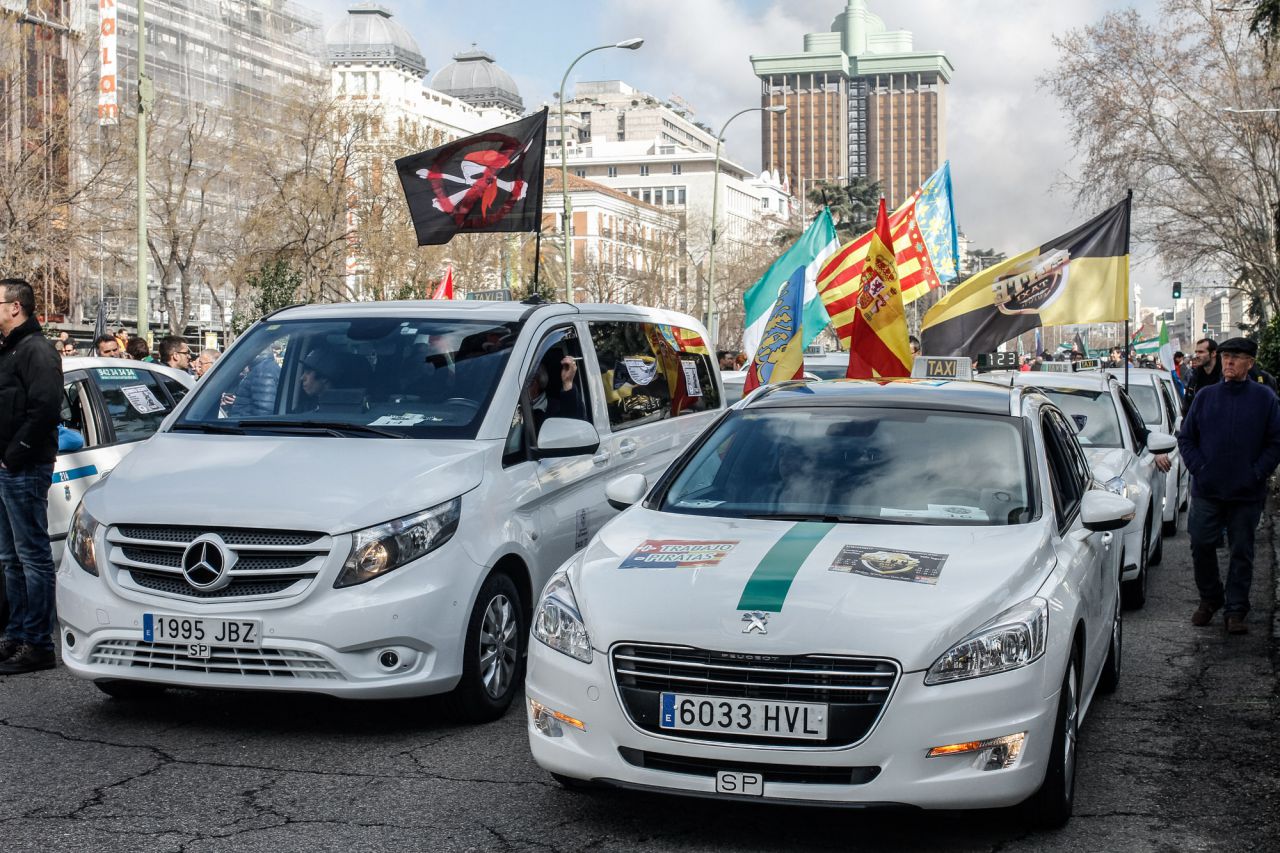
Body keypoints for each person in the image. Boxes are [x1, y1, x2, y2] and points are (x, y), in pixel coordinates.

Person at [1178, 337, 1280, 635]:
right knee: (1201, 543)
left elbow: (1275, 442)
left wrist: (1257, 472)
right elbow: (1187, 438)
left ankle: (1236, 609)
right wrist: (1200, 468)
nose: (1229, 363)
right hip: (1208, 488)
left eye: (1235, 358)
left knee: (1241, 551)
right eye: (1225, 358)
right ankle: (1210, 598)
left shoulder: (1264, 398)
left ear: (1249, 362)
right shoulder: (1206, 397)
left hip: (1246, 492)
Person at [0, 278, 63, 674]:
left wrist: (13, 456)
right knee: (10, 558)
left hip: (24, 468)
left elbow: (44, 409)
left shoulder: (37, 350)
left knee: (32, 557)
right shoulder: (10, 349)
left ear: (14, 307)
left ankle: (38, 643)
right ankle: (17, 634)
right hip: (9, 468)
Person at [527, 353, 580, 431]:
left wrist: (567, 382)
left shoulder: (556, 408)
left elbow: (571, 426)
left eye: (523, 383)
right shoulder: (513, 407)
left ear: (534, 383)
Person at [1184, 337, 1221, 408]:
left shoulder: (1225, 376)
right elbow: (1188, 404)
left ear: (1213, 353)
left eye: (1201, 352)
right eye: (1196, 352)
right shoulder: (1195, 376)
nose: (1197, 355)